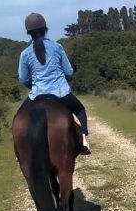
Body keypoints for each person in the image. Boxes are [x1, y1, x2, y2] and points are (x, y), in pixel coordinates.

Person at [18, 12, 90, 154]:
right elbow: (69, 71)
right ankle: (83, 140)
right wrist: (65, 80)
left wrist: (32, 86)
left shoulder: (25, 54)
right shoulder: (57, 47)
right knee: (80, 110)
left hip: (37, 94)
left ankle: (21, 151)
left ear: (29, 33)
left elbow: (23, 78)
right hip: (60, 93)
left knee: (19, 118)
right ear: (45, 29)